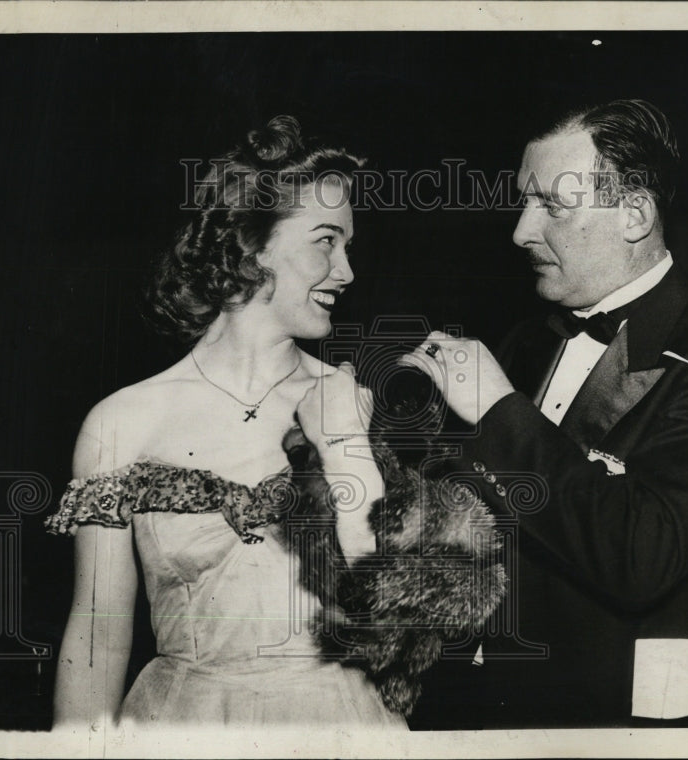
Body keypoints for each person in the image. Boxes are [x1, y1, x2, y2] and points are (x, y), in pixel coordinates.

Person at [45, 116, 503, 728]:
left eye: (348, 245)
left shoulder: (359, 405)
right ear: (251, 242)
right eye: (325, 241)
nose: (346, 271)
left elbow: (405, 632)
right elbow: (98, 637)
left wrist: (344, 450)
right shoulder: (122, 422)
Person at [403, 99, 688, 728]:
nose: (522, 231)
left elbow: (641, 557)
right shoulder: (530, 340)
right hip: (486, 700)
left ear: (634, 214)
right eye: (524, 202)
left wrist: (498, 410)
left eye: (552, 205)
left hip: (612, 715)